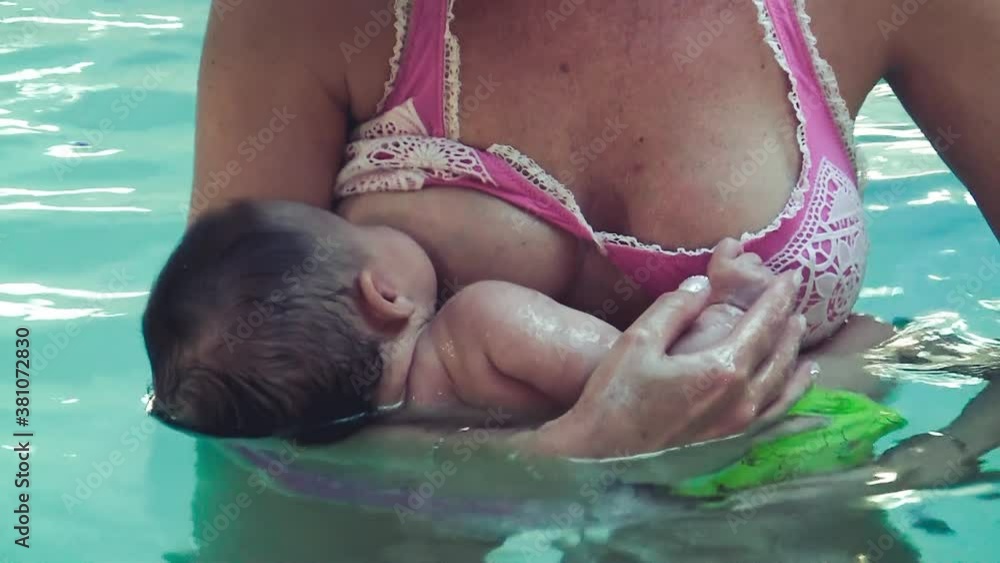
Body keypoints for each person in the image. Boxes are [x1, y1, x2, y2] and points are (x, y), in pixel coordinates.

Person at [187, 0, 999, 456]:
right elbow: (226, 411)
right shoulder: (309, 16)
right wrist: (556, 462)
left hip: (804, 526)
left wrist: (950, 455)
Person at [144, 200, 812, 450]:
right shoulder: (480, 323)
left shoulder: (380, 433)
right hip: (728, 449)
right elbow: (644, 378)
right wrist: (724, 303)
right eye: (361, 229)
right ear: (384, 294)